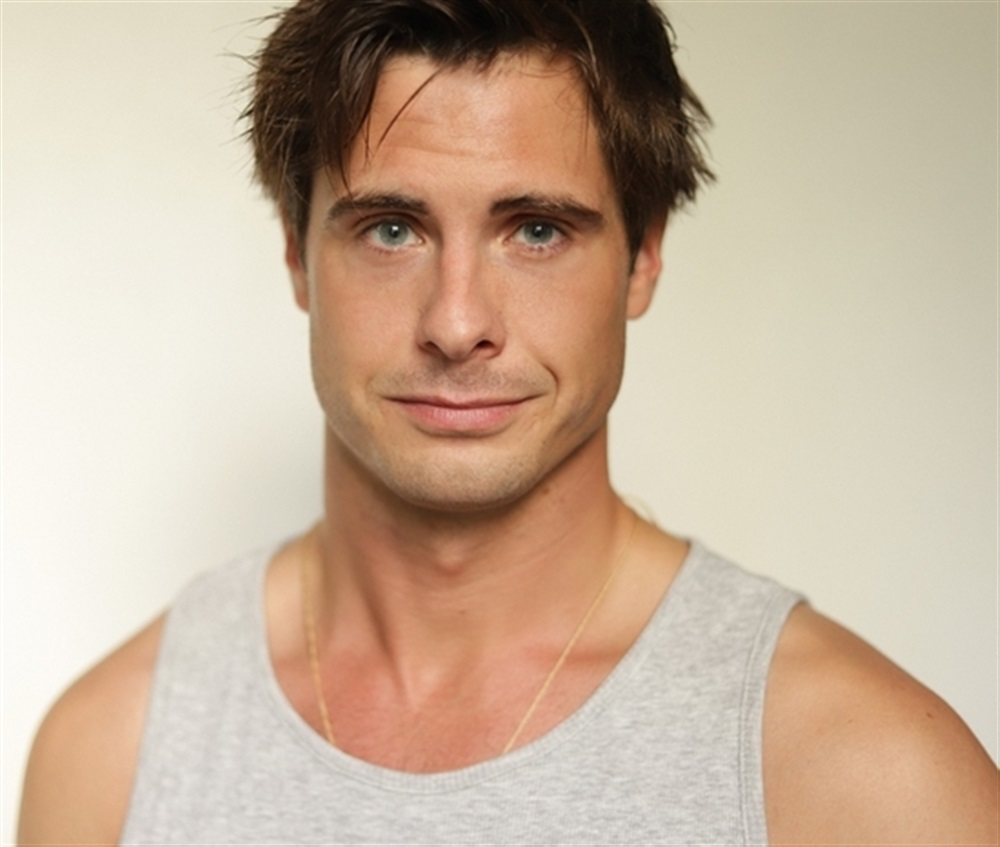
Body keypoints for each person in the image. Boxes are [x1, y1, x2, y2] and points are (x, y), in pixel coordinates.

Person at [17, 0, 997, 843]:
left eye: (536, 230)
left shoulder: (867, 777)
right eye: (390, 229)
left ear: (644, 257)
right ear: (296, 254)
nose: (456, 324)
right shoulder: (113, 754)